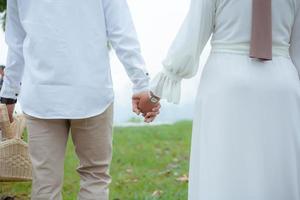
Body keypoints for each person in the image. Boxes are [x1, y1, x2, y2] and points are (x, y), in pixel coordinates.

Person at [1, 0, 160, 199]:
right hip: (91, 93)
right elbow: (121, 31)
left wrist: (9, 95)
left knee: (45, 184)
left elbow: (16, 43)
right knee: (95, 177)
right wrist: (141, 84)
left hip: (42, 96)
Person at [150, 0, 300, 199]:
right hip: (282, 86)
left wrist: (155, 92)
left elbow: (192, 35)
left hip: (226, 83)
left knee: (222, 171)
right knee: (278, 171)